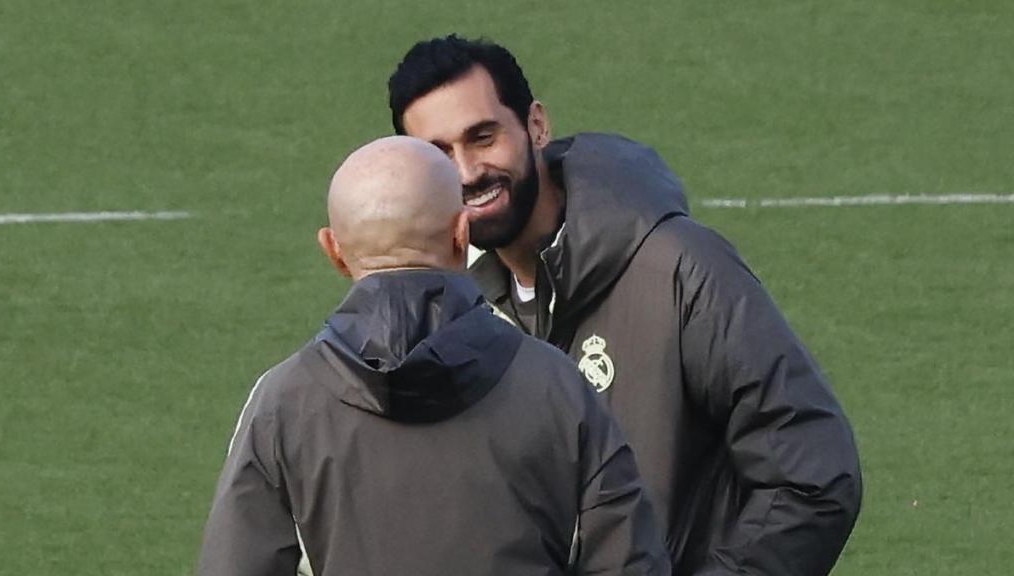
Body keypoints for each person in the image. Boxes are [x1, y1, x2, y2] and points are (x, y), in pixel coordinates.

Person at [388, 35, 863, 576]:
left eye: (483, 137)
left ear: (536, 126)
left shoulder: (679, 268)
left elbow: (813, 474)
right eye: (440, 154)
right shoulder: (451, 315)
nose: (469, 171)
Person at [195, 136, 670, 576]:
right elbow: (628, 562)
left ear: (334, 251)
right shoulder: (558, 387)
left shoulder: (283, 404)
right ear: (462, 234)